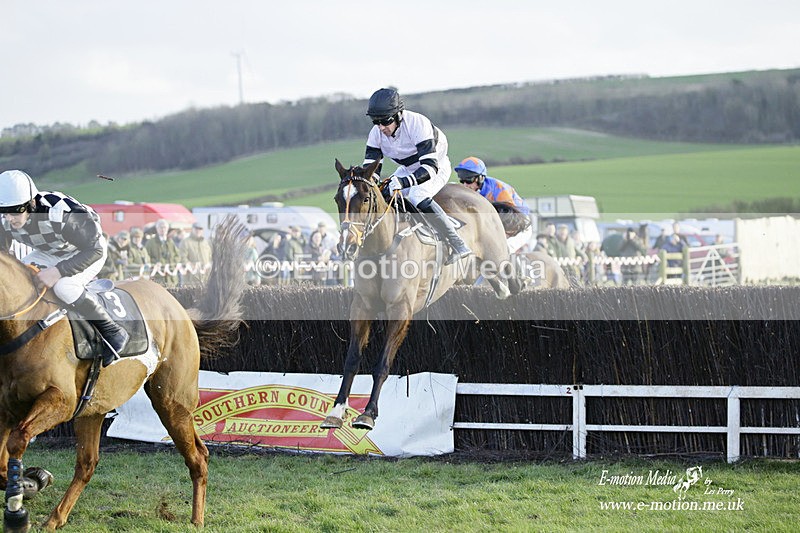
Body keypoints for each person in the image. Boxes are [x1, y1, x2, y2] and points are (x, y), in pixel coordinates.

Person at [0, 169, 128, 365]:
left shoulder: (61, 213)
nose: (8, 218)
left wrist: (58, 271)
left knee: (64, 287)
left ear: (31, 203)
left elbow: (94, 250)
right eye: (4, 212)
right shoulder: (5, 219)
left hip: (86, 251)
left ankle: (113, 331)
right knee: (22, 280)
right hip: (49, 251)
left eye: (15, 211)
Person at [363, 87, 471, 265]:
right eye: (376, 122)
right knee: (382, 196)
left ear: (398, 115)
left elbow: (429, 168)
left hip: (436, 166)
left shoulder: (417, 124)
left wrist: (403, 183)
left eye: (385, 121)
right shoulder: (376, 134)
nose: (381, 127)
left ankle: (458, 242)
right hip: (408, 168)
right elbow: (371, 172)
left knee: (417, 195)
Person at [454, 156, 532, 253]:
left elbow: (510, 221)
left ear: (480, 178)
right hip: (498, 224)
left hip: (520, 224)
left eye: (469, 180)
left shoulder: (499, 190)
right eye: (462, 180)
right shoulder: (470, 191)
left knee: (502, 250)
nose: (465, 185)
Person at [145, 218, 182, 287]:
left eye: (165, 227)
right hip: (157, 278)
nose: (163, 229)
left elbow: (178, 255)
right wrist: (154, 264)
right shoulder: (150, 243)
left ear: (167, 229)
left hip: (171, 278)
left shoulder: (171, 242)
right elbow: (146, 258)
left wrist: (173, 263)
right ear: (157, 229)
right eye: (161, 227)